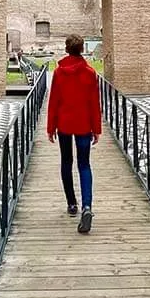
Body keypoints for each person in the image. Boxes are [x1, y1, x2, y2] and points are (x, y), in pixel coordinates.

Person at [46, 34, 101, 234]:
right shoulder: (89, 72)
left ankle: (71, 203)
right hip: (84, 125)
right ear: (82, 48)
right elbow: (94, 103)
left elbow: (54, 101)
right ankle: (87, 206)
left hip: (65, 124)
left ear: (67, 49)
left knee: (66, 162)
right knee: (84, 164)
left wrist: (51, 127)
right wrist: (97, 129)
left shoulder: (59, 73)